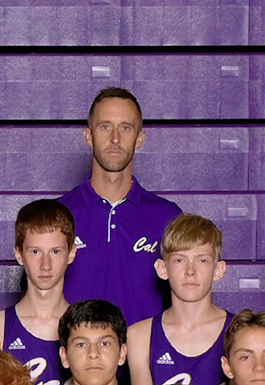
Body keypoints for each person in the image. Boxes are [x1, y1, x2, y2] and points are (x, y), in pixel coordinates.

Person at [58, 87, 182, 327]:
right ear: (88, 136)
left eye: (125, 128)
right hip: (76, 361)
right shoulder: (59, 214)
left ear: (140, 138)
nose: (115, 138)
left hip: (144, 362)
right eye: (105, 126)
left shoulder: (167, 217)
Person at [0, 199, 75, 385]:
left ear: (71, 253)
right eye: (35, 252)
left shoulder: (86, 326)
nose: (45, 265)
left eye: (55, 252)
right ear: (19, 254)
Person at [129, 214, 231, 385]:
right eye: (179, 260)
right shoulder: (140, 336)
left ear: (218, 270)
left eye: (202, 260)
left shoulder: (239, 331)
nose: (190, 271)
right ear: (162, 269)